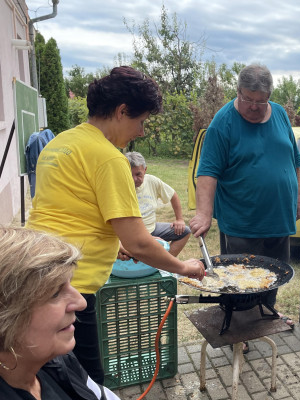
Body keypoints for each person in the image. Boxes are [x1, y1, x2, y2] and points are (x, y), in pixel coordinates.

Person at [26, 66, 205, 384]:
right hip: (69, 287)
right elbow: (140, 243)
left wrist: (115, 243)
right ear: (122, 111)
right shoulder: (109, 158)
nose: (141, 131)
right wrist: (184, 268)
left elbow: (69, 209)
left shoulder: (60, 144)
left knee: (53, 380)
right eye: (141, 121)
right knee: (87, 383)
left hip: (36, 276)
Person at [189, 64, 300, 346]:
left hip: (279, 218)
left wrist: (299, 197)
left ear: (269, 96)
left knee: (274, 276)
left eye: (260, 101)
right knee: (240, 284)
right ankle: (240, 334)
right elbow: (208, 172)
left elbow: (294, 161)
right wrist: (204, 213)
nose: (253, 107)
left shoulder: (281, 115)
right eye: (247, 99)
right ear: (238, 92)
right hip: (242, 222)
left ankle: (268, 317)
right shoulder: (223, 122)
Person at [0, 227, 120, 400]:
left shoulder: (58, 362)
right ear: (6, 314)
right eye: (55, 293)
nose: (81, 302)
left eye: (70, 284)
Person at [125, 151, 191, 256]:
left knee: (185, 232)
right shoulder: (119, 187)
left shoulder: (152, 181)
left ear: (145, 170)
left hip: (152, 228)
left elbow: (173, 195)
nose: (134, 179)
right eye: (129, 174)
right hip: (131, 236)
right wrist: (147, 238)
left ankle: (165, 265)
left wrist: (179, 219)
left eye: (138, 174)